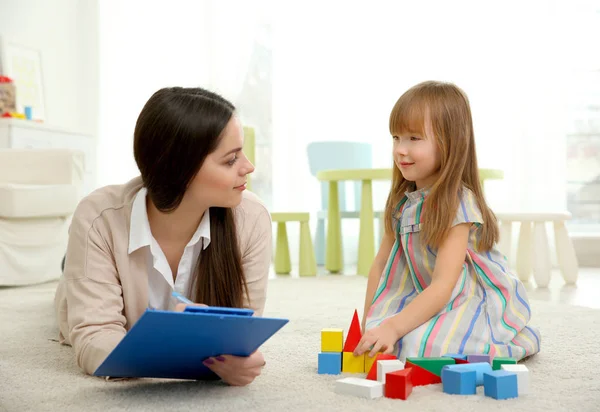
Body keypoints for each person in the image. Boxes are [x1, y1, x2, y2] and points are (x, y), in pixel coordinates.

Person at [54, 87, 272, 386]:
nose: (248, 167)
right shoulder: (98, 217)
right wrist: (177, 340)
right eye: (230, 159)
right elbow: (93, 339)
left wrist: (238, 360)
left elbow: (244, 329)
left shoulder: (251, 218)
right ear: (180, 169)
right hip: (92, 258)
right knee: (68, 287)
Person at [354, 81, 541, 361]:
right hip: (420, 294)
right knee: (385, 342)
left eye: (414, 139)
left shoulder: (458, 202)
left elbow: (444, 284)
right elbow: (379, 267)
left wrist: (392, 327)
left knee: (421, 350)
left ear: (449, 143)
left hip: (464, 297)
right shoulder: (402, 200)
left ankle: (517, 339)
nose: (400, 150)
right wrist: (368, 327)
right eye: (396, 137)